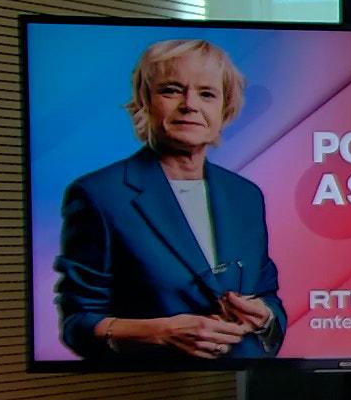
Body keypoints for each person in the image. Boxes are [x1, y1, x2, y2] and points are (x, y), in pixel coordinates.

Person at [55, 38, 286, 361]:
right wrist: (160, 332)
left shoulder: (245, 195)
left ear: (225, 110)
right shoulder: (99, 194)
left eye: (207, 94)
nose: (190, 104)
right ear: (145, 102)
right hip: (153, 382)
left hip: (242, 379)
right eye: (171, 90)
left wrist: (265, 317)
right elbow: (78, 322)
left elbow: (267, 295)